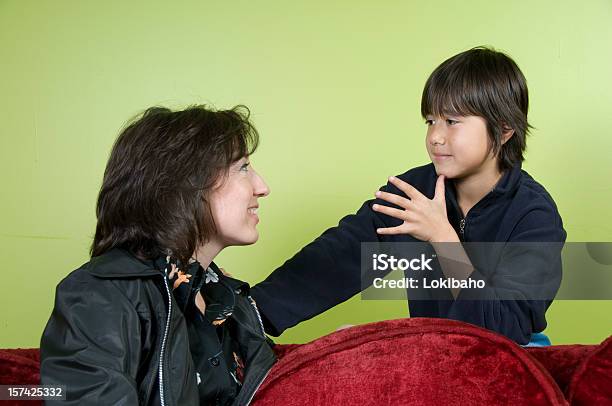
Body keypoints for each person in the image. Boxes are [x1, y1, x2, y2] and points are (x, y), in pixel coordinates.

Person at [251, 46, 566, 346]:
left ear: (505, 128)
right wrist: (248, 313)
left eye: (452, 122)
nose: (435, 137)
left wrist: (443, 238)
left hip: (514, 356)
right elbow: (339, 257)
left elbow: (504, 328)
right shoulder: (414, 191)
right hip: (435, 352)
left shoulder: (534, 216)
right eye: (431, 121)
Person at [40, 105, 275, 405]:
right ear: (185, 184)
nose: (262, 187)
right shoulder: (99, 295)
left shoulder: (230, 301)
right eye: (242, 167)